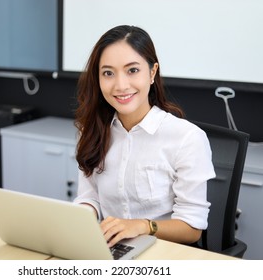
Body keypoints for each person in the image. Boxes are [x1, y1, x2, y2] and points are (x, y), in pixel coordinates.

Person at [73, 25, 215, 248]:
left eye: (132, 70)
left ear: (152, 72)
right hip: (109, 249)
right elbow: (89, 196)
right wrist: (80, 219)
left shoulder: (187, 138)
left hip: (165, 254)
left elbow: (192, 228)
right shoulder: (92, 130)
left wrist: (143, 226)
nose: (120, 86)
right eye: (108, 73)